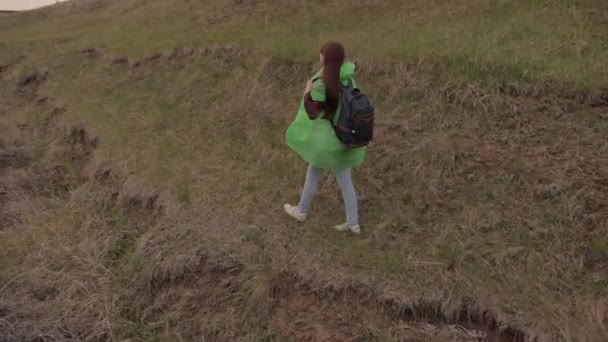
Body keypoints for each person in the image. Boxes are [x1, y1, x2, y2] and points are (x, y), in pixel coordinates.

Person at [284, 42, 367, 235]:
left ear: (325, 58)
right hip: (346, 139)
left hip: (326, 143)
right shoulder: (349, 80)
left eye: (321, 54)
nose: (319, 56)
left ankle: (301, 210)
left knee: (313, 172)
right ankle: (353, 223)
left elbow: (313, 113)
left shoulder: (322, 82)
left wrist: (307, 91)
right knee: (345, 179)